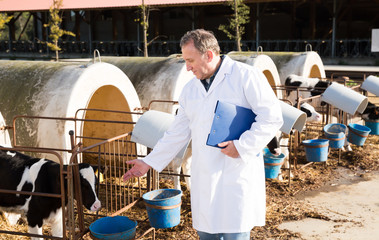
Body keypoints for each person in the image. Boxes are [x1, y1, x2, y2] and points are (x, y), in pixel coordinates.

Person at [123, 29, 283, 240]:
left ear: (209, 55)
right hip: (205, 176)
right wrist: (149, 162)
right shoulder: (190, 90)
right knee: (207, 233)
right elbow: (176, 133)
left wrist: (243, 145)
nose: (187, 67)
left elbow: (271, 117)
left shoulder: (245, 76)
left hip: (236, 172)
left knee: (236, 233)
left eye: (190, 60)